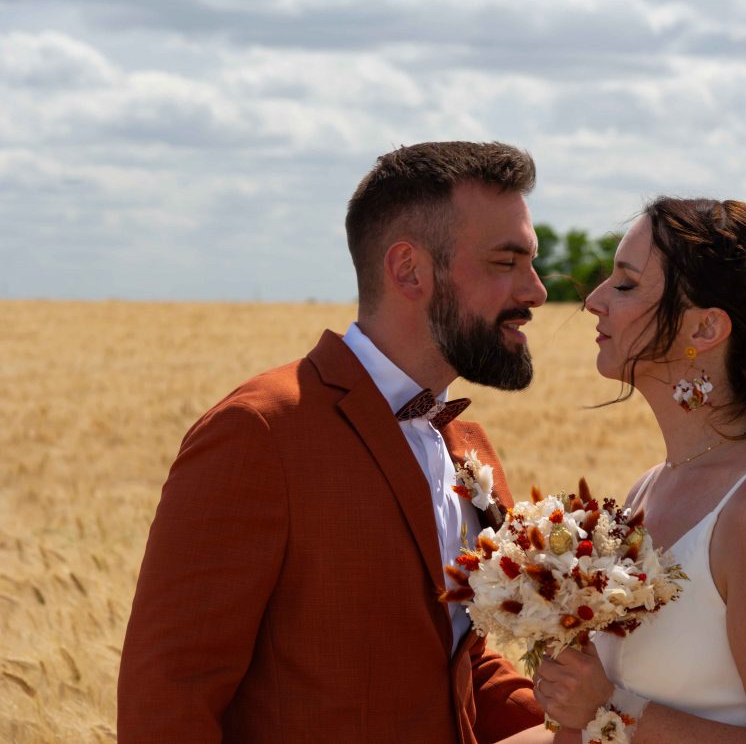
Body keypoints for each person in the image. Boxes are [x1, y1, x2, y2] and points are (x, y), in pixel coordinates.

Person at [118, 141, 549, 743]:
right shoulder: (261, 433)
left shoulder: (463, 445)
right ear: (409, 270)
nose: (535, 291)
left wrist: (597, 726)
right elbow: (168, 696)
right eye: (506, 262)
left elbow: (450, 661)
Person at [503, 198, 746, 743]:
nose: (594, 301)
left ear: (706, 327)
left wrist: (610, 707)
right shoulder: (652, 485)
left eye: (624, 285)